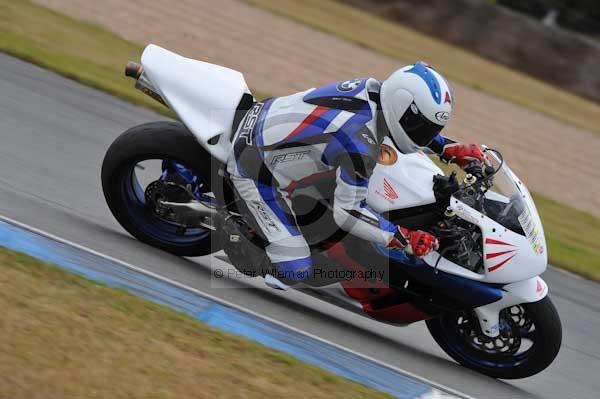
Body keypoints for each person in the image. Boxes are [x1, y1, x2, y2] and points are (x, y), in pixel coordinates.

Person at [227, 62, 487, 289]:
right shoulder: (358, 146)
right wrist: (404, 238)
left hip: (270, 120)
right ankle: (237, 232)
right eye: (425, 128)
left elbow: (405, 128)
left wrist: (447, 148)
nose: (426, 134)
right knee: (296, 269)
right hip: (255, 169)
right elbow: (348, 213)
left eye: (433, 129)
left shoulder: (374, 90)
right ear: (402, 107)